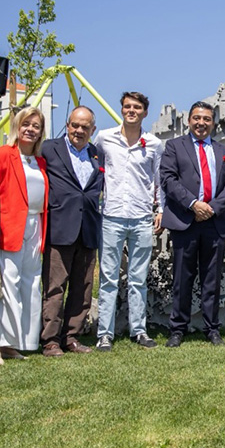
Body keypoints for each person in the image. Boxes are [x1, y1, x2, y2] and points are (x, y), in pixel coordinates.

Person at [161, 102, 225, 347]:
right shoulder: (174, 147)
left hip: (214, 223)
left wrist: (211, 207)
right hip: (185, 220)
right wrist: (194, 204)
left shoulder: (224, 150)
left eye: (206, 119)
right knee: (182, 279)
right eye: (196, 118)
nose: (201, 123)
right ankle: (177, 329)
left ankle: (212, 329)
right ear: (189, 120)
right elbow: (168, 180)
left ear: (213, 123)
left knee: (211, 279)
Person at [94, 92, 163, 351]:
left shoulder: (154, 144)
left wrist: (161, 210)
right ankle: (104, 334)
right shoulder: (104, 138)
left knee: (138, 278)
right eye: (127, 107)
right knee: (108, 278)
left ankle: (139, 331)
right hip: (111, 216)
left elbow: (159, 181)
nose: (131, 111)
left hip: (142, 216)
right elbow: (96, 172)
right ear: (121, 110)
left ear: (145, 112)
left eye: (136, 107)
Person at [0, 107, 49, 364]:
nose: (31, 129)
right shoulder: (0, 155)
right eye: (27, 124)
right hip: (11, 228)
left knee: (30, 285)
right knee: (8, 286)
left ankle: (16, 342)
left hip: (35, 227)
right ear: (17, 126)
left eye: (36, 125)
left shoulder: (39, 161)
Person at [40, 106, 104, 357]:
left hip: (88, 229)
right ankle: (50, 340)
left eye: (85, 127)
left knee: (83, 287)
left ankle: (72, 336)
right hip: (60, 227)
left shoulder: (96, 154)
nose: (79, 130)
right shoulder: (49, 148)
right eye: (75, 125)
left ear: (92, 130)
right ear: (67, 125)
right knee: (55, 287)